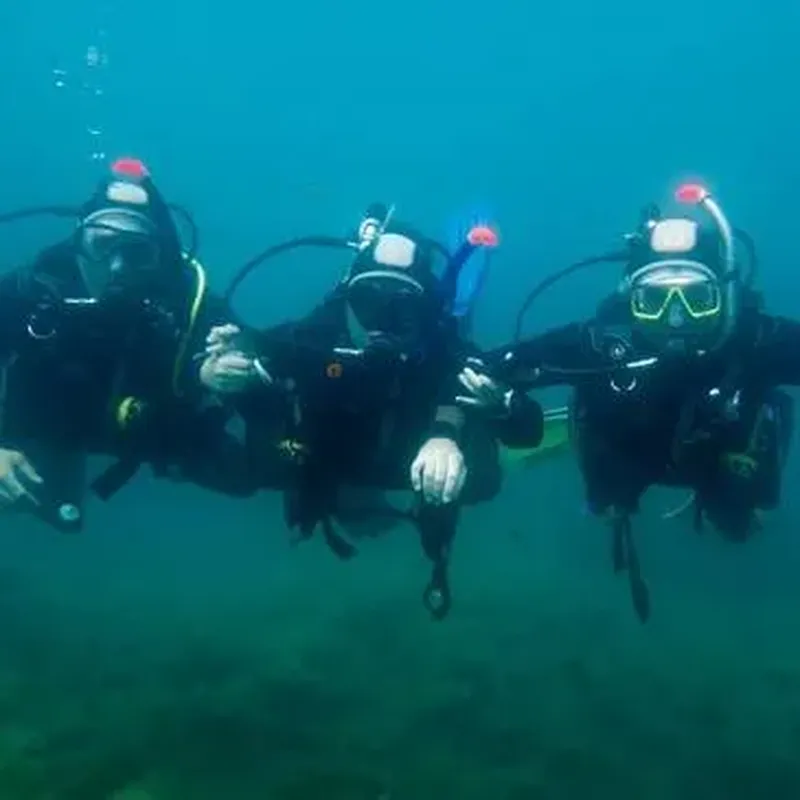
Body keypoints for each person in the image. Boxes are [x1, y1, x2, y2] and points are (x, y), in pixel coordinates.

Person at [465, 184, 797, 622]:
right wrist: (469, 416)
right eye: (655, 302)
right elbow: (482, 368)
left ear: (725, 300)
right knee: (608, 499)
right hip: (627, 459)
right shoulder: (601, 346)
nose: (676, 319)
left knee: (737, 524)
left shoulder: (753, 340)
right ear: (631, 303)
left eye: (697, 300)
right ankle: (585, 450)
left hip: (718, 462)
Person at [200, 205, 544, 619]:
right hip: (340, 467)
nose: (382, 320)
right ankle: (350, 499)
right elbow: (251, 380)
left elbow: (526, 427)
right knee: (266, 461)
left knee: (484, 477)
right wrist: (215, 373)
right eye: (368, 301)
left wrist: (461, 426)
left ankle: (461, 309)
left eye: (401, 306)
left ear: (423, 307)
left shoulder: (443, 354)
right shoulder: (311, 340)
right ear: (347, 296)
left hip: (402, 463)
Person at [0, 157, 256, 531]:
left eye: (137, 252)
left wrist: (222, 366)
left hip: (147, 429)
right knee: (51, 508)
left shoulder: (181, 294)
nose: (118, 266)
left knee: (244, 476)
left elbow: (247, 343)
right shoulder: (30, 290)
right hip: (47, 429)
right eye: (103, 244)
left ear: (157, 255)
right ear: (78, 241)